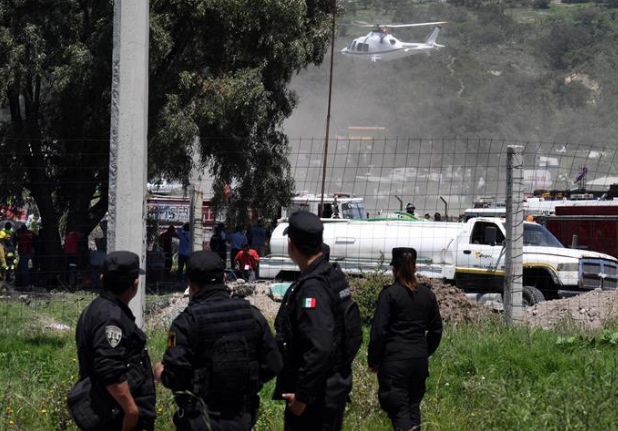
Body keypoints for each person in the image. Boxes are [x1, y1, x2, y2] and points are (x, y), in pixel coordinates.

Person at [155, 250, 282, 431]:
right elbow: (273, 364)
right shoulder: (253, 315)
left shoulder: (184, 323)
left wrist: (160, 372)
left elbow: (174, 376)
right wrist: (247, 381)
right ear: (224, 278)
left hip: (200, 420)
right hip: (242, 418)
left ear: (191, 283)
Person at [274, 211, 362, 431]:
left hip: (316, 399)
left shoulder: (313, 288)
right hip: (331, 386)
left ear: (291, 244)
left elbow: (320, 347)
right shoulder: (332, 274)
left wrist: (302, 397)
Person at [72, 251, 156, 431]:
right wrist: (131, 409)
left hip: (111, 412)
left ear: (102, 278)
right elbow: (109, 368)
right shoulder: (111, 318)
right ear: (135, 284)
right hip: (116, 417)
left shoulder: (100, 309)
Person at [368, 247, 443, 431]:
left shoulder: (389, 294)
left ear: (394, 269)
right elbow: (436, 330)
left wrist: (374, 361)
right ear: (415, 267)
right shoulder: (427, 295)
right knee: (413, 407)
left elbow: (379, 332)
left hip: (395, 363)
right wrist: (424, 351)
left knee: (399, 410)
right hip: (419, 361)